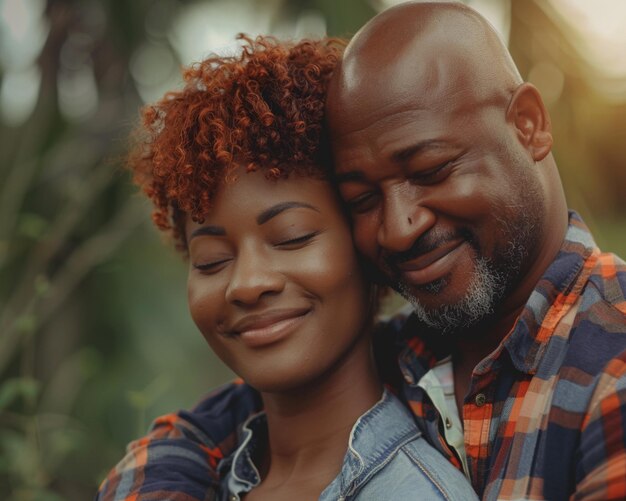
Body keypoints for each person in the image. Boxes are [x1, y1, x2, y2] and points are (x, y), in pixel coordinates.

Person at [98, 2, 626, 500]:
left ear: (528, 125)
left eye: (431, 170)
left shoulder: (610, 363)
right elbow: (201, 431)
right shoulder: (404, 351)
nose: (398, 229)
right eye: (363, 199)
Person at [97, 34, 477, 500]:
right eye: (211, 261)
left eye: (293, 237)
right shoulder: (196, 475)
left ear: (365, 245)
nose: (248, 283)